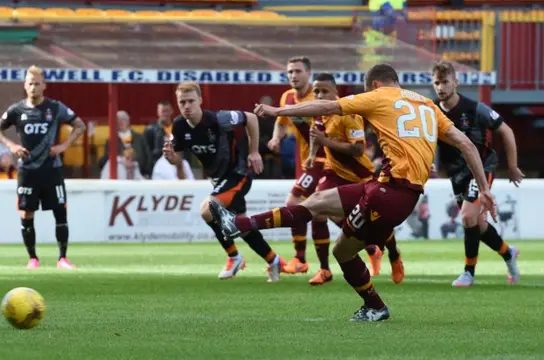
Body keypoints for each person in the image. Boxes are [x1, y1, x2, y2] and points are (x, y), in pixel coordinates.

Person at [210, 64, 496, 321]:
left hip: (392, 193)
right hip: (386, 186)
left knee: (341, 248)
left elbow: (326, 107)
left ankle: (375, 304)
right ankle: (238, 224)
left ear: (373, 85)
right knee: (317, 203)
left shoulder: (378, 96)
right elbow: (468, 145)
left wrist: (278, 112)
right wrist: (484, 189)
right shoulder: (427, 105)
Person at [163, 81, 286, 282]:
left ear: (200, 100)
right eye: (182, 102)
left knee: (207, 209)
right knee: (242, 226)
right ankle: (273, 261)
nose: (187, 106)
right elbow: (178, 158)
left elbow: (251, 118)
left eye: (191, 101)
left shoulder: (219, 119)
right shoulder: (178, 126)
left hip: (238, 174)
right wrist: (171, 158)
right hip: (218, 180)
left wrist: (254, 152)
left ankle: (234, 257)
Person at [304, 72, 404, 286]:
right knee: (317, 211)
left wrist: (326, 142)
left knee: (378, 220)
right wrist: (312, 155)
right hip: (334, 172)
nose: (320, 95)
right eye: (316, 92)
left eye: (324, 91)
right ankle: (324, 269)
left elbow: (358, 150)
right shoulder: (318, 114)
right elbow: (316, 135)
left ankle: (393, 255)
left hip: (360, 175)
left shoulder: (349, 115)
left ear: (336, 93)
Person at [431, 60, 522, 286]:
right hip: (457, 175)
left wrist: (512, 167)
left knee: (467, 216)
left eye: (445, 82)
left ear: (456, 82)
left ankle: (468, 272)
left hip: (482, 168)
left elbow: (506, 131)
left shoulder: (475, 108)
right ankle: (508, 252)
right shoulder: (431, 111)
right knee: (477, 223)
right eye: (436, 83)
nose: (440, 87)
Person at [0, 65, 87, 270]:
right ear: (25, 86)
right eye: (30, 83)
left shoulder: (55, 108)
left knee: (60, 211)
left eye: (37, 83)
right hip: (27, 171)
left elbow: (80, 125)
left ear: (44, 85)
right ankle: (33, 258)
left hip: (52, 168)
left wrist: (63, 146)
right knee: (26, 213)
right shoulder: (17, 110)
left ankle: (62, 258)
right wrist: (12, 146)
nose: (33, 87)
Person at [267, 56, 320, 275]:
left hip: (322, 161)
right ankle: (373, 248)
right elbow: (281, 121)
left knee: (293, 202)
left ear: (309, 74)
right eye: (290, 72)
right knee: (328, 212)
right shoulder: (287, 97)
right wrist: (276, 138)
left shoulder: (318, 96)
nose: (293, 76)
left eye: (298, 71)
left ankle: (300, 259)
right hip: (304, 163)